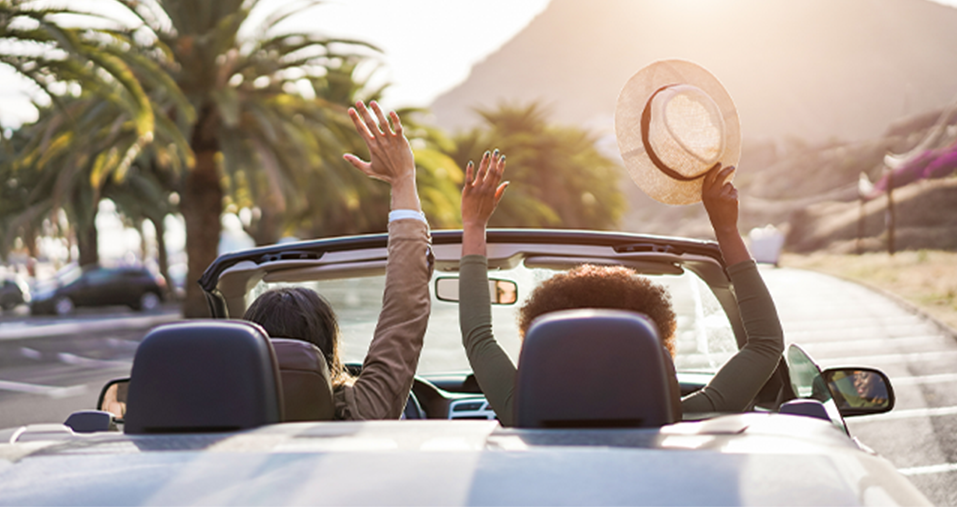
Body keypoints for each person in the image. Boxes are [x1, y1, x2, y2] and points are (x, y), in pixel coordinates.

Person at [458, 152, 785, 426]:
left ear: (547, 349)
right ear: (655, 346)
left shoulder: (521, 415)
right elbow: (764, 345)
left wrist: (474, 225)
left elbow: (478, 337)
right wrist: (725, 227)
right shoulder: (687, 418)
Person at [244, 100, 432, 421]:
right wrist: (403, 179)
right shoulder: (358, 413)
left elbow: (405, 308)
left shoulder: (217, 420)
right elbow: (404, 309)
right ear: (328, 353)